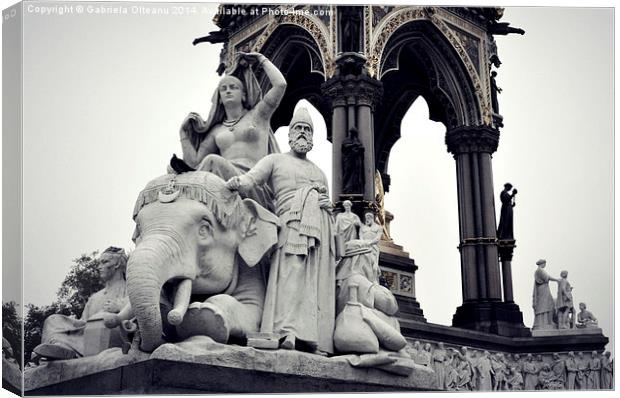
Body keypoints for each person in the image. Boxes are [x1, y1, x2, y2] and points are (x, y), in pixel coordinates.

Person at [226, 107, 336, 355]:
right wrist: (237, 183)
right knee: (289, 277)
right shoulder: (275, 160)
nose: (303, 133)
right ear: (289, 133)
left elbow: (327, 203)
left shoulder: (319, 172)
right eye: (298, 128)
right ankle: (285, 331)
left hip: (318, 233)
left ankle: (312, 337)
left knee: (313, 286)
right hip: (289, 226)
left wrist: (326, 206)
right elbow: (251, 178)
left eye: (307, 130)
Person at [178, 52, 286, 208]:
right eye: (224, 89)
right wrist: (183, 135)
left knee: (212, 161)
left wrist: (261, 59)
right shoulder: (217, 131)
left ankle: (186, 191)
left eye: (233, 87)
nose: (228, 90)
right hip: (227, 183)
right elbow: (194, 163)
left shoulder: (258, 115)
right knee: (209, 163)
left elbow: (280, 85)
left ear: (243, 95)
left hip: (253, 182)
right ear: (220, 99)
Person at [33, 247, 128, 360]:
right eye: (99, 263)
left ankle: (66, 350)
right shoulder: (95, 298)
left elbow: (138, 311)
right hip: (86, 333)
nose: (99, 267)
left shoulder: (130, 288)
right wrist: (72, 321)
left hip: (112, 334)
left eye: (105, 262)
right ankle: (60, 348)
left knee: (101, 321)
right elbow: (83, 322)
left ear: (117, 265)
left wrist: (120, 307)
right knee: (53, 320)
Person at [532, 259, 558, 330]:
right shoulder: (539, 270)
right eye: (544, 263)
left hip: (544, 288)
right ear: (542, 263)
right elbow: (547, 277)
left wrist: (556, 280)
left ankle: (548, 321)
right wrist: (557, 280)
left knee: (549, 304)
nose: (545, 265)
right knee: (545, 304)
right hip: (543, 289)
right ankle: (543, 322)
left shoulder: (540, 270)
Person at [359, 212, 383, 279]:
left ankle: (374, 279)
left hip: (373, 248)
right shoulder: (362, 228)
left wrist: (370, 243)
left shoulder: (378, 227)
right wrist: (364, 243)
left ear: (372, 218)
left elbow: (378, 238)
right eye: (366, 219)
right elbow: (360, 237)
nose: (367, 220)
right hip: (364, 247)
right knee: (363, 265)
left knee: (374, 267)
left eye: (368, 218)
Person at [341, 127, 365, 194]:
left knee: (356, 175)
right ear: (350, 133)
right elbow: (345, 146)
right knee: (348, 173)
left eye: (355, 133)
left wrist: (358, 147)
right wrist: (354, 145)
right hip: (349, 160)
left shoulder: (357, 141)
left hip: (356, 161)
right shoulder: (347, 140)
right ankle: (346, 188)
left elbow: (362, 148)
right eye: (352, 133)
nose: (353, 135)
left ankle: (355, 188)